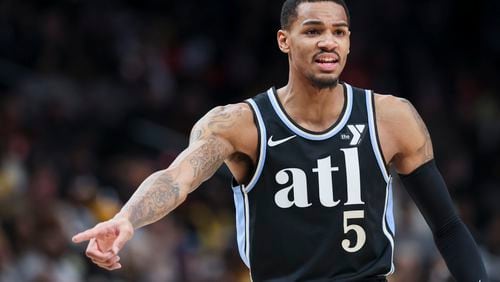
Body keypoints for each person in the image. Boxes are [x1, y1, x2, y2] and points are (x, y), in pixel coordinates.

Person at [72, 0, 489, 281]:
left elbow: (449, 227)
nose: (329, 41)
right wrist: (127, 217)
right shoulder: (240, 124)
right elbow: (177, 177)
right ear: (284, 40)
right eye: (313, 30)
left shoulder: (392, 118)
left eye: (339, 32)